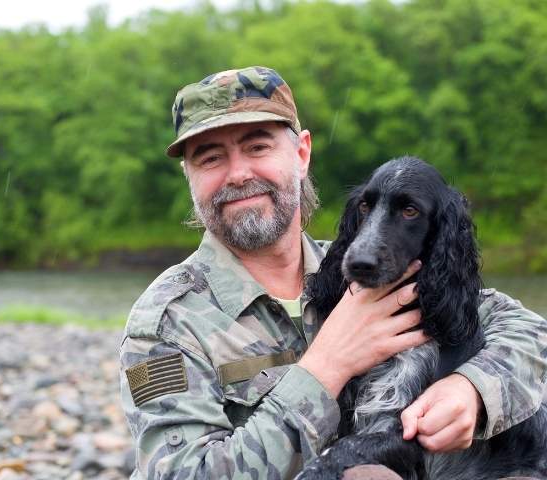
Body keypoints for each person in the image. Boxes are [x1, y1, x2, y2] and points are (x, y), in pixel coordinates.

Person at [119, 66, 547, 479]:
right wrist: (325, 368)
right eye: (210, 158)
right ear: (189, 177)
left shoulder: (371, 270)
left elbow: (530, 332)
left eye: (257, 147)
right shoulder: (165, 323)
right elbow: (184, 474)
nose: (239, 174)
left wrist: (472, 389)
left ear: (302, 153)